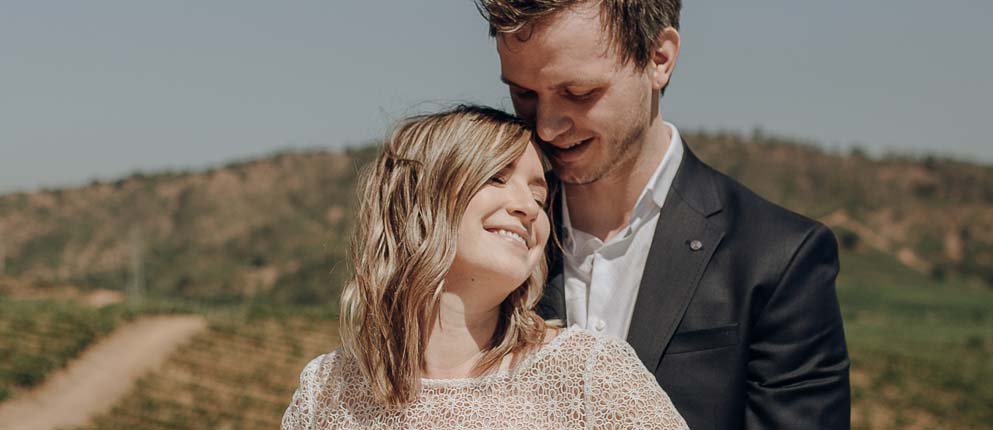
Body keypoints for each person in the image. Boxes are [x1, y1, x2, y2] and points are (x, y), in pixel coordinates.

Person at [476, 1, 851, 428]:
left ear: (660, 58)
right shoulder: (480, 235)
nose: (545, 126)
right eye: (523, 94)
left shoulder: (780, 258)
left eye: (578, 93)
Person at [280, 105, 689, 429]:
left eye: (538, 193)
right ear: (419, 199)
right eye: (496, 177)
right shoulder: (326, 389)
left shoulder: (590, 374)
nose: (528, 207)